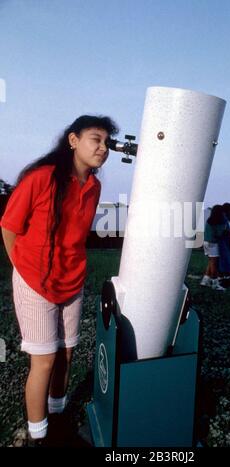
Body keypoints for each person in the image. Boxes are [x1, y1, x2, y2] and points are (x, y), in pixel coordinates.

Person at [0, 115, 119, 446]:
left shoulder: (94, 187)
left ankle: (58, 418)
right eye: (96, 139)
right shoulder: (40, 178)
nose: (103, 148)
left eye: (107, 142)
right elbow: (9, 226)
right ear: (73, 140)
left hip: (72, 280)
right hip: (35, 283)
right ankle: (39, 437)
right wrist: (22, 268)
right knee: (45, 360)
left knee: (66, 354)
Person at [201, 205, 226, 291]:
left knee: (211, 262)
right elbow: (219, 234)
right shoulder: (218, 222)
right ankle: (215, 283)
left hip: (206, 242)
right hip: (213, 243)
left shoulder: (209, 220)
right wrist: (224, 229)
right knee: (214, 264)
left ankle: (205, 280)